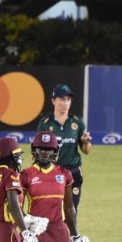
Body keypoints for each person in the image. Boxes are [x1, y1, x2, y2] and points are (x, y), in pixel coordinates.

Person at [37, 84, 92, 222]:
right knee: (52, 209)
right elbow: (37, 150)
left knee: (71, 209)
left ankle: (70, 240)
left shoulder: (77, 123)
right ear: (53, 100)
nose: (66, 103)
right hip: (52, 172)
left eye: (68, 99)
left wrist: (86, 142)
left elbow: (86, 151)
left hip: (73, 172)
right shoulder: (45, 123)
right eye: (62, 99)